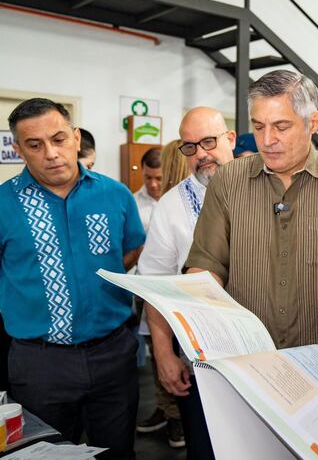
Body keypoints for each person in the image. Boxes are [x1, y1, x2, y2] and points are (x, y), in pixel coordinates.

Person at [184, 69, 318, 360]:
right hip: (246, 356)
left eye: (281, 127)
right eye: (259, 126)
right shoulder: (228, 181)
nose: (267, 140)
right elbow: (206, 264)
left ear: (313, 122)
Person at [0, 98, 145, 459]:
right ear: (19, 150)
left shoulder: (116, 195)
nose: (51, 153)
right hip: (39, 364)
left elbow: (130, 251)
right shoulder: (3, 204)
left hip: (114, 355)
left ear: (76, 138)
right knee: (46, 454)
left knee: (118, 451)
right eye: (34, 145)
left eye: (59, 139)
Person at [140, 107, 236, 460]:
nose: (201, 155)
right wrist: (164, 354)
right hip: (203, 361)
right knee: (206, 450)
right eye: (190, 147)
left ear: (230, 140)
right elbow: (155, 285)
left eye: (209, 142)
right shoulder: (171, 206)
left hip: (270, 354)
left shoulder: (264, 186)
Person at [135, 140, 189, 449]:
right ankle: (168, 411)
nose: (155, 183)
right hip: (153, 292)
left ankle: (177, 417)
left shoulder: (183, 201)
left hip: (176, 296)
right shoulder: (142, 201)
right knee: (161, 357)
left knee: (174, 360)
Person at [134, 147, 162, 232]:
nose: (153, 184)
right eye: (148, 177)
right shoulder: (132, 203)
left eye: (159, 178)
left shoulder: (177, 200)